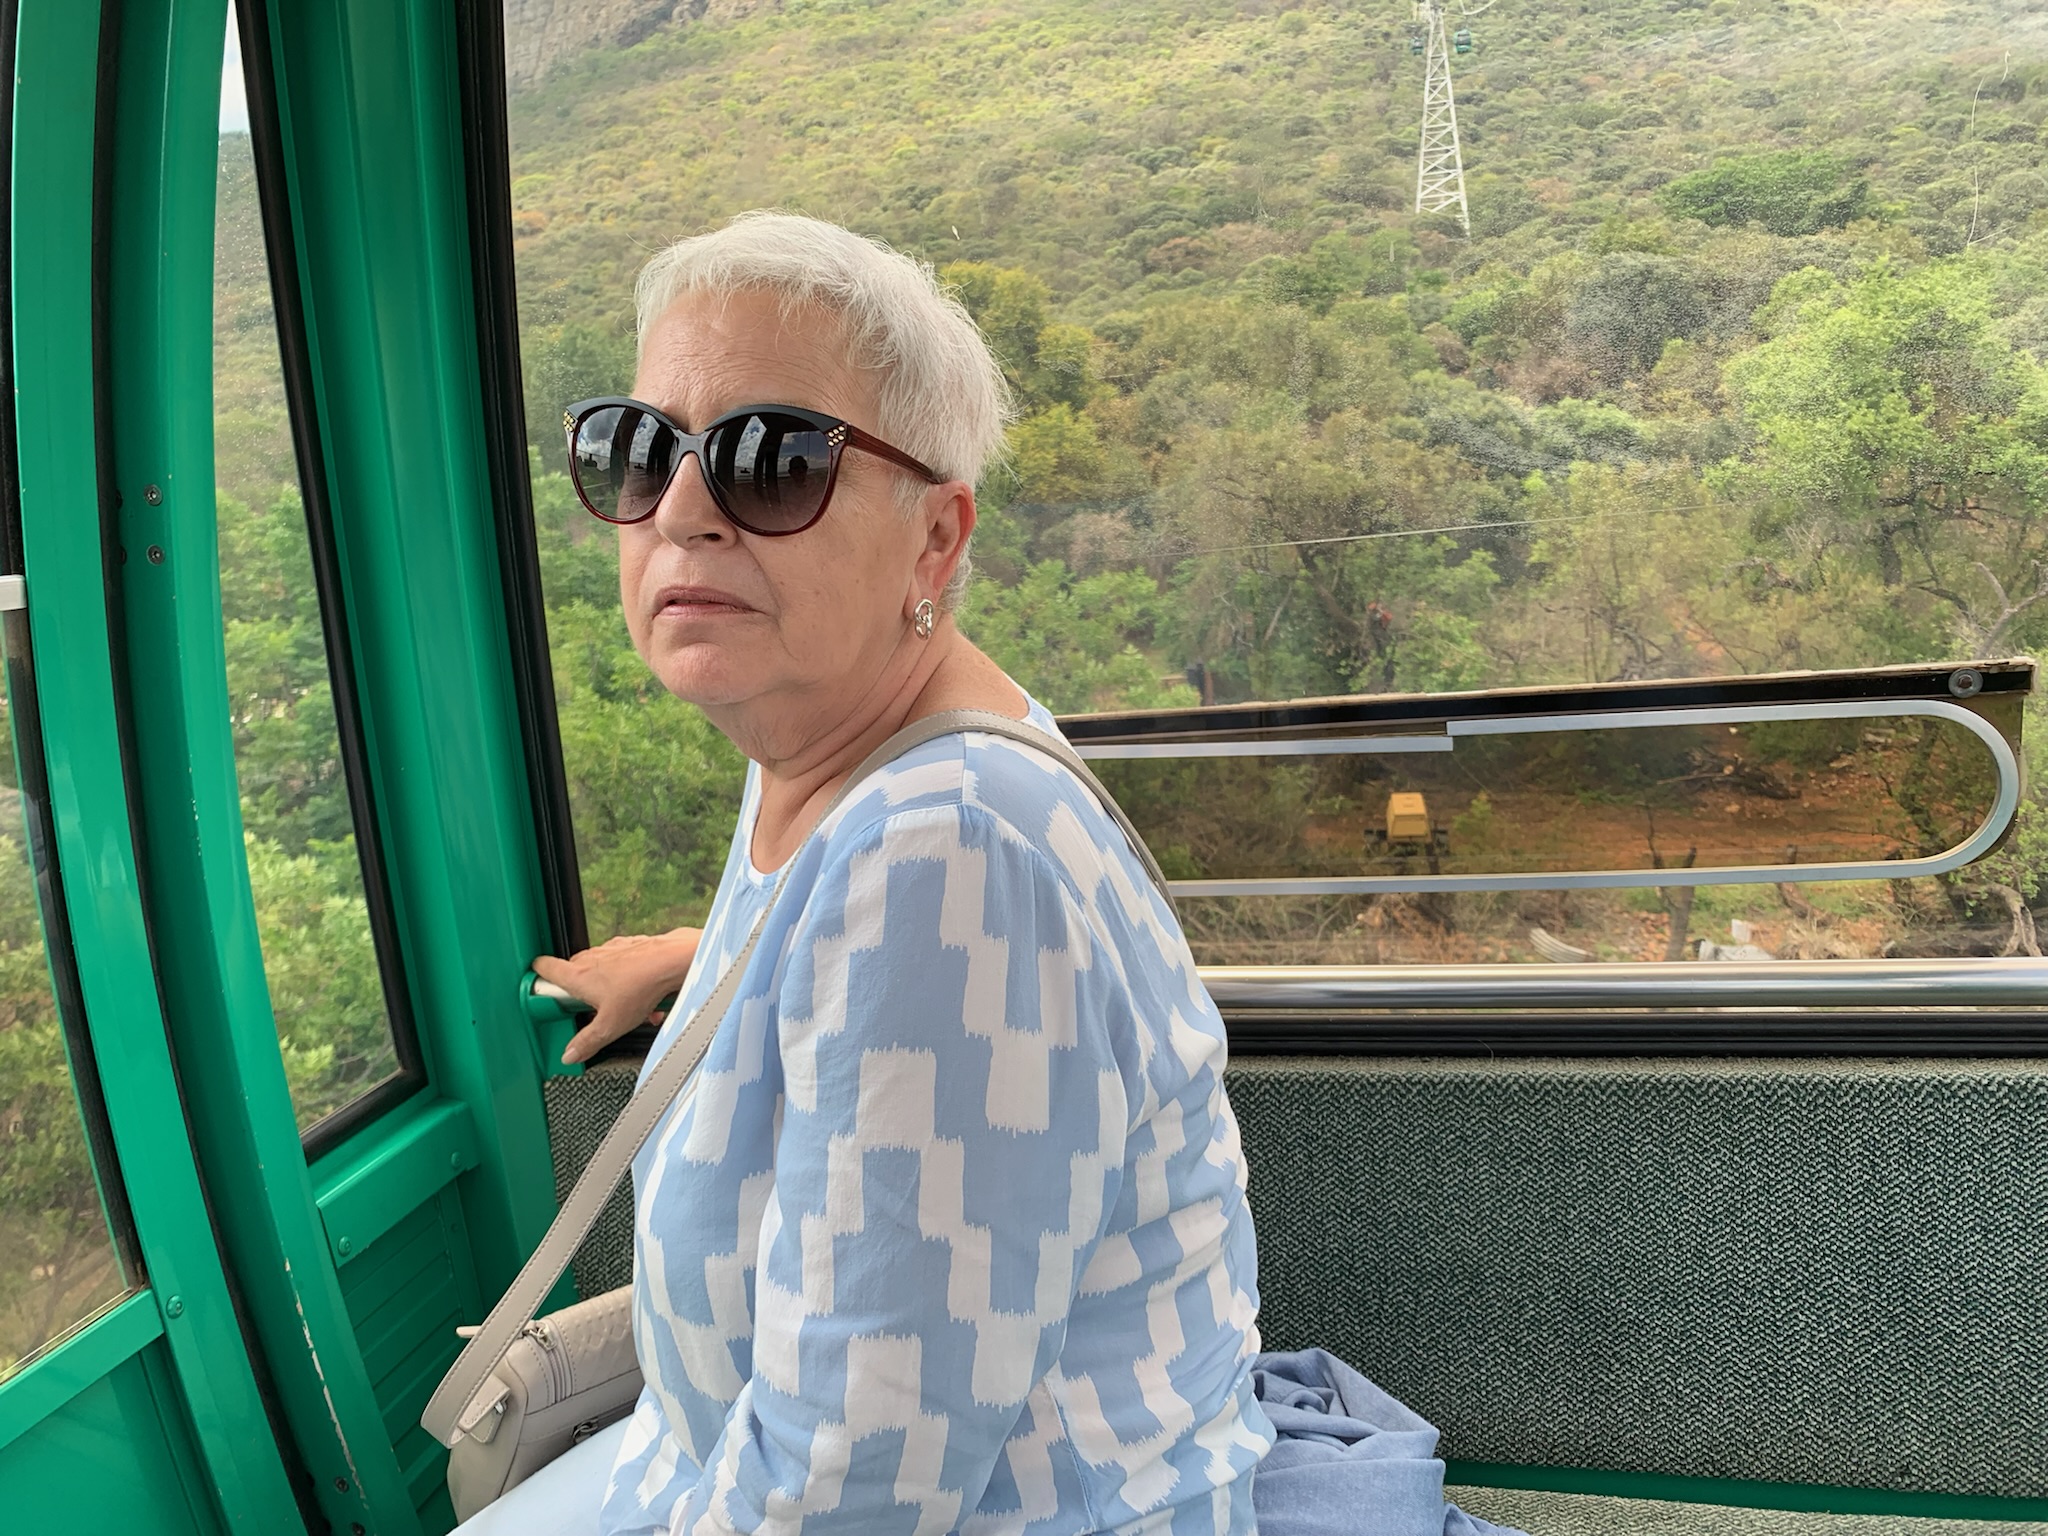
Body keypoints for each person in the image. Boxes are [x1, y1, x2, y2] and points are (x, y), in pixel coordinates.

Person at [503, 211, 1275, 1535]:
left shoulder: (949, 853)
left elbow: (845, 1493)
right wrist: (696, 961)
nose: (680, 513)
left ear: (935, 539)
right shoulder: (825, 735)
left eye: (772, 462)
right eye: (641, 449)